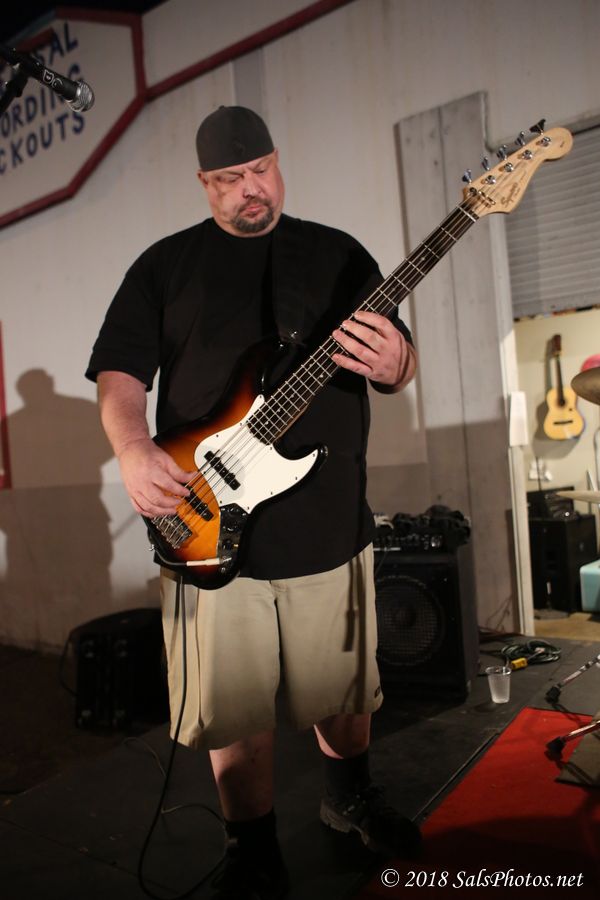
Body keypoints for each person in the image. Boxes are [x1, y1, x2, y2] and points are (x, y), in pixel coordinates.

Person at [86, 105, 419, 899]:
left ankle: (348, 799)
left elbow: (398, 359)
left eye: (261, 170)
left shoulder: (338, 256)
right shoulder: (163, 267)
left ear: (278, 161)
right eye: (230, 179)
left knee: (343, 687)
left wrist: (399, 363)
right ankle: (253, 847)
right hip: (205, 521)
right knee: (234, 709)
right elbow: (120, 376)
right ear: (204, 183)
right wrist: (132, 448)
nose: (250, 189)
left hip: (327, 518)